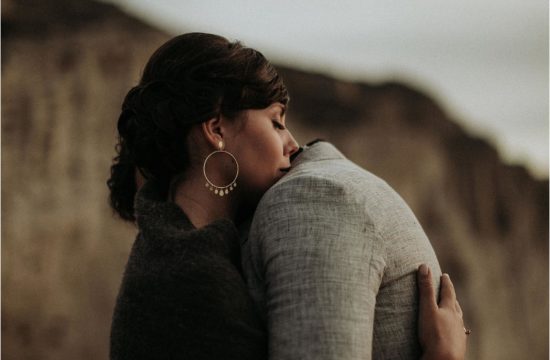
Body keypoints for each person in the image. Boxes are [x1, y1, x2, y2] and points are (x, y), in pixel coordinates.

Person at [107, 32, 467, 360]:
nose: (292, 144)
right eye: (276, 122)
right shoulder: (189, 281)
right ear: (217, 129)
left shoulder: (176, 251)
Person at [242, 139, 469, 359]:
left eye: (280, 120)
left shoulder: (312, 198)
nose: (291, 141)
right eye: (275, 122)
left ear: (217, 129)